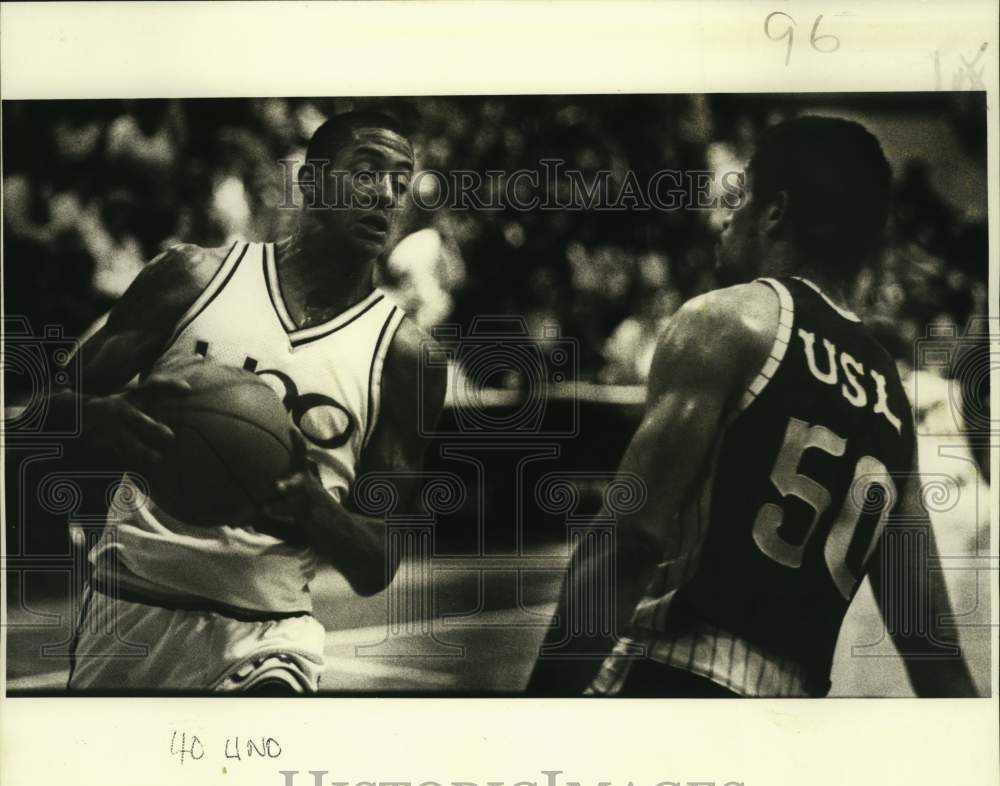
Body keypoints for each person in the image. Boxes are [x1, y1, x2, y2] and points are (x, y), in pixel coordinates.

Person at [527, 116, 977, 697]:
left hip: (675, 679)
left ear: (773, 213)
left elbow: (629, 544)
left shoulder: (729, 320)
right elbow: (933, 653)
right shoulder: (890, 397)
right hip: (789, 725)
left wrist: (536, 709)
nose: (724, 216)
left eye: (739, 198)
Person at [55, 110, 447, 692]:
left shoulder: (407, 358)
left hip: (270, 631)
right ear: (310, 182)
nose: (386, 194)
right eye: (366, 172)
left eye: (400, 180)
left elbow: (375, 564)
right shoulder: (194, 276)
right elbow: (35, 413)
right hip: (129, 607)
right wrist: (94, 417)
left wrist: (313, 507)